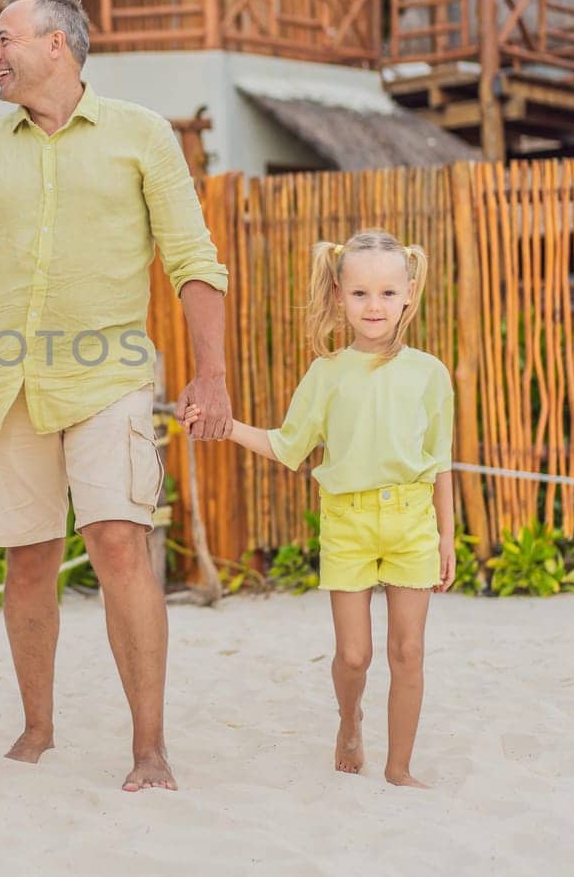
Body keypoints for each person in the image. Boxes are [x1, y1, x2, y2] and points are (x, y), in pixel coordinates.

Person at [0, 0, 232, 792]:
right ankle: (37, 725)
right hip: (9, 386)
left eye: (2, 38)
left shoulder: (143, 135)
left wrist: (212, 374)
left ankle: (150, 746)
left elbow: (195, 261)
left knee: (117, 545)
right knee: (27, 560)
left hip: (110, 378)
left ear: (55, 44)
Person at [190, 228, 455, 788]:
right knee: (354, 656)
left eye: (387, 293)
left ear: (409, 292)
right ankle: (349, 720)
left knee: (408, 651)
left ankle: (399, 769)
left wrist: (447, 539)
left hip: (413, 523)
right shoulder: (326, 373)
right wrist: (225, 427)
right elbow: (287, 447)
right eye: (360, 294)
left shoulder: (430, 373)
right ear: (338, 295)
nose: (374, 305)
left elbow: (440, 464)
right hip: (347, 524)